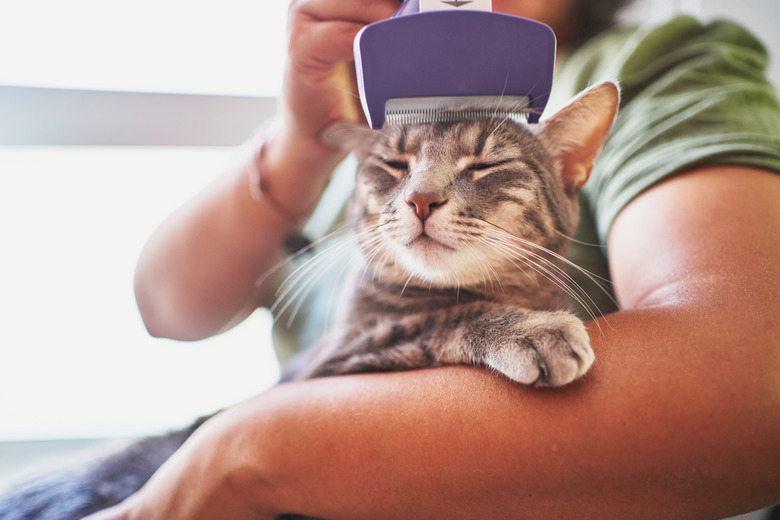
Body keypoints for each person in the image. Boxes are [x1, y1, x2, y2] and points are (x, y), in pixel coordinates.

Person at [105, 0, 780, 518]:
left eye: (486, 166)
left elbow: (753, 380)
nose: (421, 196)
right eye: (395, 167)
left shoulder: (651, 66)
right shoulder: (360, 111)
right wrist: (301, 140)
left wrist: (253, 449)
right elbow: (167, 310)